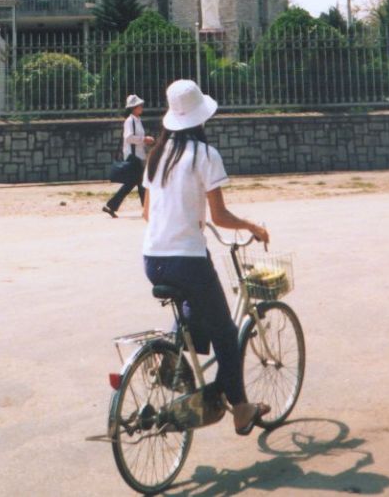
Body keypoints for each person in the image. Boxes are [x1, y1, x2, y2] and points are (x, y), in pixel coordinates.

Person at [142, 80, 271, 435]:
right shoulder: (204, 155)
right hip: (188, 261)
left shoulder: (156, 156)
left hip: (152, 259)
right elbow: (221, 217)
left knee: (194, 310)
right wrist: (252, 227)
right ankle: (242, 409)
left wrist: (184, 222)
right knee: (227, 333)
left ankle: (169, 358)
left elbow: (147, 213)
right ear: (201, 118)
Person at [103, 95, 155, 218]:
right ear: (133, 108)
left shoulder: (137, 120)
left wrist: (144, 140)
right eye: (139, 105)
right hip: (133, 156)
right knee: (140, 182)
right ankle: (147, 209)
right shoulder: (130, 121)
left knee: (134, 183)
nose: (142, 107)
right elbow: (129, 137)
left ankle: (111, 206)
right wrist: (144, 139)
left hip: (138, 155)